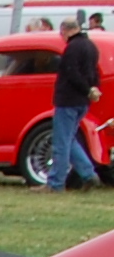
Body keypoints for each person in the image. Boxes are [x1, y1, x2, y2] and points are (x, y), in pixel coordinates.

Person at [51, 17, 100, 191]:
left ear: (65, 30)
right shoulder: (91, 46)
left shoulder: (72, 48)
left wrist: (86, 89)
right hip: (83, 102)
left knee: (61, 142)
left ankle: (56, 183)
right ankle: (88, 174)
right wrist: (93, 89)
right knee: (70, 140)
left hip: (68, 100)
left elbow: (72, 73)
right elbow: (94, 71)